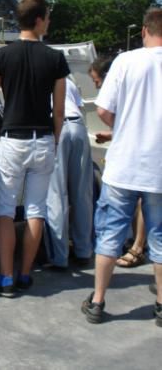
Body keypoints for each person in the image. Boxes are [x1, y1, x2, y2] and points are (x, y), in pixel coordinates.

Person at [0, 0, 69, 297]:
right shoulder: (55, 58)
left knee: (4, 210)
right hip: (42, 139)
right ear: (40, 20)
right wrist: (54, 140)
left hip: (13, 139)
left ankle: (5, 278)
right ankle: (26, 274)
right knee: (35, 210)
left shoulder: (2, 56)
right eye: (49, 18)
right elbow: (59, 111)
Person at [81, 8, 162, 327]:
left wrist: (124, 127)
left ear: (143, 31)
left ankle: (98, 300)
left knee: (110, 234)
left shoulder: (126, 61)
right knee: (160, 238)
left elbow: (103, 109)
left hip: (124, 164)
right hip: (159, 167)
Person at [89, 57, 147, 268]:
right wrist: (114, 133)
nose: (96, 85)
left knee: (141, 200)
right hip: (138, 152)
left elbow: (134, 125)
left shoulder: (123, 85)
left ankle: (138, 247)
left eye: (97, 81)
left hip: (137, 158)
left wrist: (120, 129)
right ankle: (136, 244)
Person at [43, 76, 93, 270]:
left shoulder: (42, 78)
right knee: (82, 194)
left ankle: (59, 256)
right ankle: (83, 250)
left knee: (56, 194)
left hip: (57, 127)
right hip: (78, 127)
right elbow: (78, 107)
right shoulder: (68, 81)